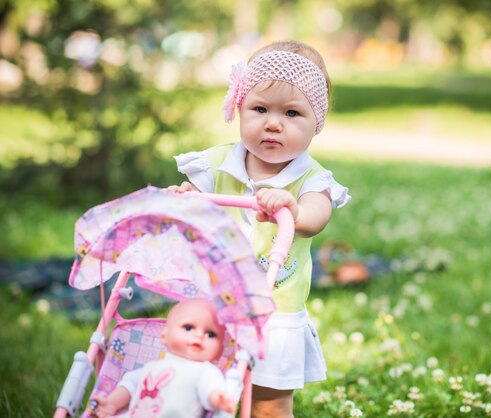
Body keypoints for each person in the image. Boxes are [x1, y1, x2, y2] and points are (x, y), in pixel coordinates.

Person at [168, 39, 350, 417]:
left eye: (293, 113)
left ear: (317, 124)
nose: (273, 122)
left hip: (274, 311)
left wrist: (292, 208)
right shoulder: (217, 163)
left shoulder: (312, 180)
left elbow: (315, 217)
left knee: (268, 403)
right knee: (197, 388)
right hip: (212, 304)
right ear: (239, 107)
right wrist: (185, 198)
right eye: (260, 108)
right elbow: (194, 208)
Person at [91, 298, 236, 418]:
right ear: (164, 336)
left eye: (210, 334)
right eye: (188, 328)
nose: (199, 335)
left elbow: (209, 390)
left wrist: (217, 400)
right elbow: (130, 385)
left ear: (219, 351)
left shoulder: (205, 370)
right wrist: (111, 403)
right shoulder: (152, 366)